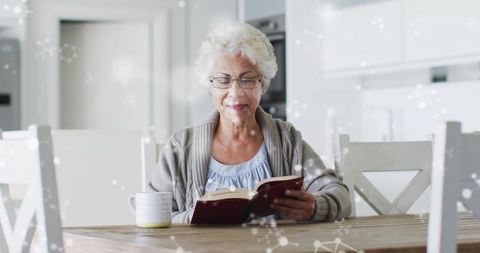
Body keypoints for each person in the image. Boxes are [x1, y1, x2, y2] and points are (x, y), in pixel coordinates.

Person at [148, 23, 351, 223]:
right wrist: (192, 217)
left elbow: (339, 194)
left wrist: (315, 207)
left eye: (247, 80)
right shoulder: (180, 148)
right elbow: (152, 215)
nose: (235, 93)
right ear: (210, 86)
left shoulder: (287, 140)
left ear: (262, 84)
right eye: (223, 80)